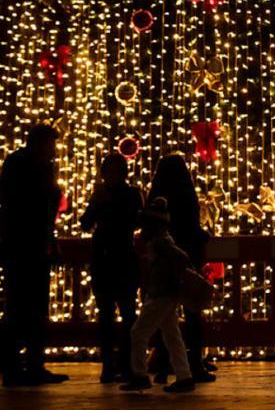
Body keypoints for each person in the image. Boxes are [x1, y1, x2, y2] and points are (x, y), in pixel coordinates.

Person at [0, 123, 68, 387]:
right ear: (38, 143)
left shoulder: (41, 166)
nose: (52, 150)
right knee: (19, 307)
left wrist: (50, 240)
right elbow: (20, 205)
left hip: (37, 245)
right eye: (50, 144)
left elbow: (46, 208)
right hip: (21, 245)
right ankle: (15, 367)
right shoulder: (20, 165)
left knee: (36, 307)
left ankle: (33, 365)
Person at [147, 154, 215, 384]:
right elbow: (194, 228)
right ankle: (194, 364)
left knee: (164, 314)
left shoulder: (157, 198)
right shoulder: (187, 195)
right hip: (186, 259)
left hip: (163, 264)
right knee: (192, 313)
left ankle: (164, 365)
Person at [120, 197, 195, 393]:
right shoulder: (161, 240)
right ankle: (184, 374)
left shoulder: (160, 242)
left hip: (161, 293)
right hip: (167, 293)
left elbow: (181, 257)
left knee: (139, 332)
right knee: (172, 334)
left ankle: (139, 374)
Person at [80, 153, 143, 383]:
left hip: (122, 258)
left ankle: (126, 365)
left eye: (116, 171)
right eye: (108, 171)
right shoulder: (100, 195)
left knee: (127, 315)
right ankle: (108, 365)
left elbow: (136, 221)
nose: (112, 176)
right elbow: (86, 223)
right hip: (104, 259)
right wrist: (97, 204)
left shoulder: (131, 194)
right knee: (106, 315)